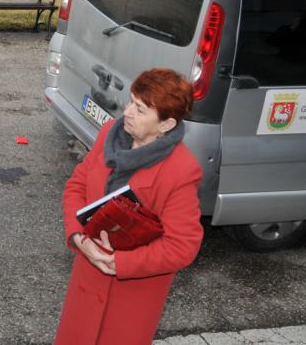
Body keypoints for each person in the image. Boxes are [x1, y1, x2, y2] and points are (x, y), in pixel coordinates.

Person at [53, 69, 204, 345]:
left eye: (140, 109)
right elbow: (77, 185)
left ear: (166, 124)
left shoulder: (181, 171)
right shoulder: (110, 133)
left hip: (132, 300)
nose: (128, 112)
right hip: (86, 283)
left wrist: (120, 263)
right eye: (131, 101)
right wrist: (77, 236)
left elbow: (182, 246)